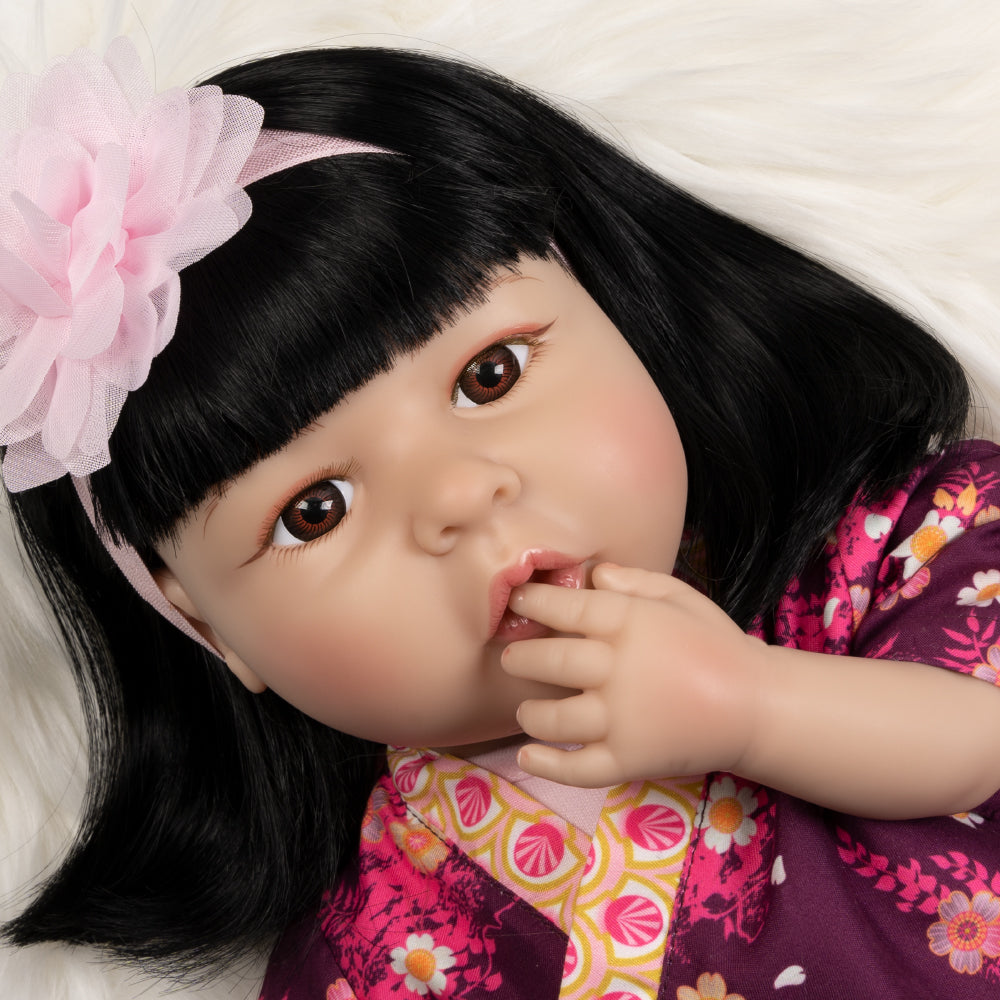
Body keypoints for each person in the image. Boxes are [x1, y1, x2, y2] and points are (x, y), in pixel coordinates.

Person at [2, 38, 999, 999]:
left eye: (491, 374)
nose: (456, 495)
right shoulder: (378, 953)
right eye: (314, 510)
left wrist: (755, 708)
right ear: (203, 624)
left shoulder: (898, 542)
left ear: (612, 306)